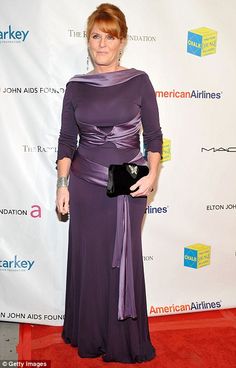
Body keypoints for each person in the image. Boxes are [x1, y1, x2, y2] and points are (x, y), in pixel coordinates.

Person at [56, 3, 163, 363]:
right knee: (90, 260)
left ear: (122, 41)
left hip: (127, 188)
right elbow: (67, 140)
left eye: (110, 37)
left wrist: (152, 176)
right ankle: (90, 334)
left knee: (122, 261)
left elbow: (156, 138)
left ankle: (122, 340)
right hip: (85, 186)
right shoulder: (76, 86)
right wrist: (61, 184)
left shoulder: (139, 81)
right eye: (96, 36)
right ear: (88, 40)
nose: (102, 44)